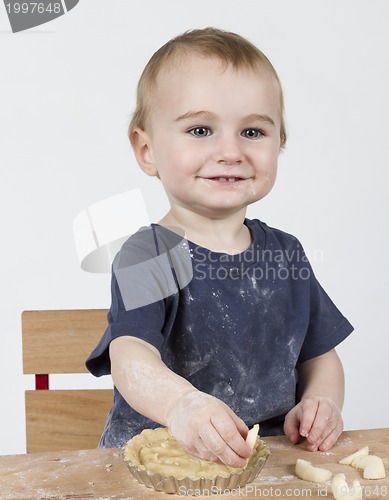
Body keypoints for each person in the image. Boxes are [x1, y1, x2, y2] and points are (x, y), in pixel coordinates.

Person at [86, 27, 353, 468]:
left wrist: (321, 400)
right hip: (157, 463)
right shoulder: (149, 254)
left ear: (279, 144)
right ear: (147, 149)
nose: (230, 150)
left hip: (258, 463)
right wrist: (181, 406)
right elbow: (130, 358)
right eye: (201, 129)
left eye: (252, 131)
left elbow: (320, 356)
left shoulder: (284, 254)